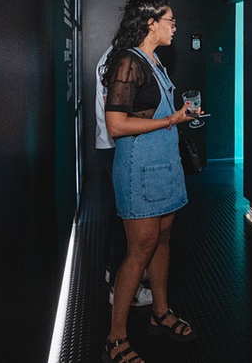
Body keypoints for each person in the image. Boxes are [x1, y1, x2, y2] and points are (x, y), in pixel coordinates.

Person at [101, 0, 199, 363]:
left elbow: (150, 114)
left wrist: (179, 117)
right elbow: (116, 125)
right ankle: (115, 337)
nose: (175, 27)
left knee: (162, 240)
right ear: (151, 22)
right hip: (139, 170)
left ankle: (160, 312)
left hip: (165, 168)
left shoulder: (155, 60)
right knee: (138, 251)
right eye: (171, 21)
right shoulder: (127, 62)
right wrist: (171, 120)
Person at [96, 45, 153, 308]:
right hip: (117, 147)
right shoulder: (123, 61)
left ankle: (112, 271)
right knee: (125, 218)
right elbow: (119, 119)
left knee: (117, 213)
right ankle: (120, 289)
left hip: (110, 146)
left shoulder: (116, 57)